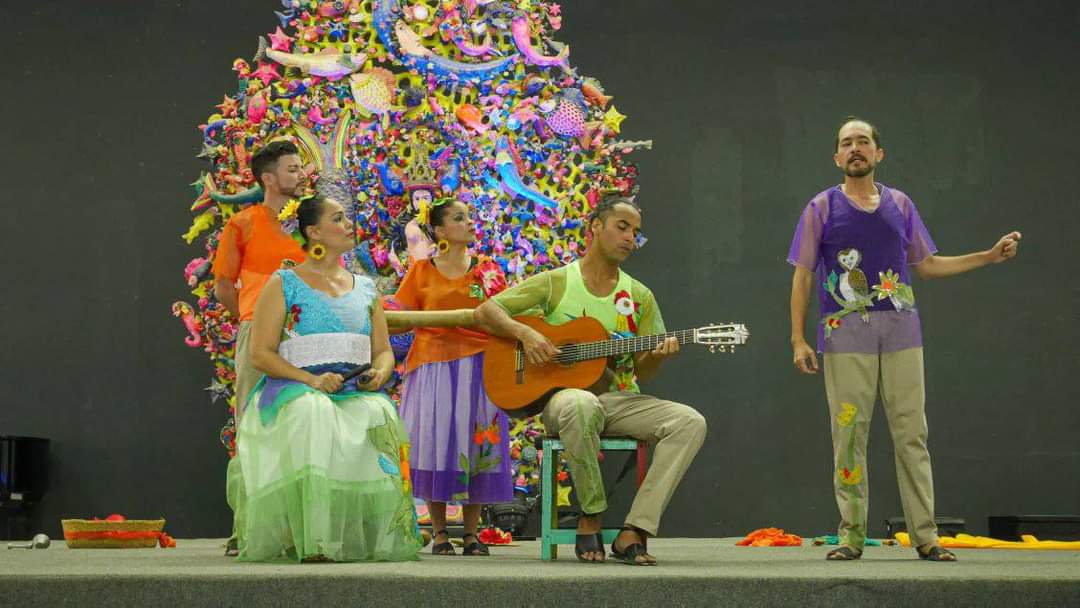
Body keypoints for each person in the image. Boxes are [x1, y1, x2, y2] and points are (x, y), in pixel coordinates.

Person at [788, 116, 1021, 562]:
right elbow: (802, 277)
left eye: (863, 141)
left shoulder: (900, 204)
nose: (855, 148)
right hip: (844, 337)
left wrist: (988, 257)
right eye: (846, 143)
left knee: (912, 434)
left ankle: (926, 536)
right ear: (837, 157)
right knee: (849, 434)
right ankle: (851, 536)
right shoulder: (820, 207)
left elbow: (927, 265)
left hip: (902, 335)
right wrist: (798, 339)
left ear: (878, 154)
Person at [474, 196, 707, 566]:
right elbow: (486, 311)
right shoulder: (556, 282)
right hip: (563, 401)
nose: (630, 238)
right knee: (579, 403)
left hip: (619, 401)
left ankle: (636, 529)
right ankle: (591, 514)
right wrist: (528, 335)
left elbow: (643, 373)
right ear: (595, 226)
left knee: (690, 421)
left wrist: (657, 357)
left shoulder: (639, 295)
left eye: (636, 232)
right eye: (622, 227)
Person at [238, 194, 423, 562]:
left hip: (352, 391)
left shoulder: (367, 289)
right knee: (314, 413)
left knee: (380, 412)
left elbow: (383, 350)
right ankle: (314, 540)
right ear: (313, 232)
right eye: (338, 219)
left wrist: (380, 372)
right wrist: (311, 380)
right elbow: (260, 354)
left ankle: (373, 539)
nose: (348, 224)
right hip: (294, 391)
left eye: (347, 217)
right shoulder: (284, 283)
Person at [393, 198, 513, 556]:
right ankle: (441, 533)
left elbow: (504, 314)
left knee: (478, 443)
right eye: (459, 219)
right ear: (441, 231)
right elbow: (398, 315)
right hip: (432, 367)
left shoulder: (487, 270)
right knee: (435, 442)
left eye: (469, 217)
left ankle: (473, 534)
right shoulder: (421, 271)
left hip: (480, 367)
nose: (469, 223)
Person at [212, 140, 307, 555]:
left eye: (301, 167)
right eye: (291, 169)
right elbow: (222, 287)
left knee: (304, 429)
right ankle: (246, 528)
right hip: (258, 338)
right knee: (253, 426)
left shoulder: (311, 223)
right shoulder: (244, 224)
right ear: (268, 179)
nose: (301, 174)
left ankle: (299, 529)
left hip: (307, 340)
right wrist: (255, 322)